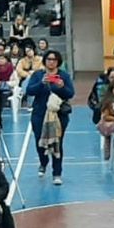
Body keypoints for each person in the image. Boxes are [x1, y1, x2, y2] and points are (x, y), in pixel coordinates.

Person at [24, 51, 74, 184]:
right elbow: (29, 91)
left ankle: (57, 173)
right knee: (39, 142)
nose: (51, 62)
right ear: (45, 61)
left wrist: (62, 87)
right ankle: (43, 162)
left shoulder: (64, 76)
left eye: (54, 59)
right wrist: (41, 83)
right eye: (49, 59)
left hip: (59, 115)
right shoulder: (38, 75)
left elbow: (70, 93)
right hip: (39, 114)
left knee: (58, 143)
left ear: (58, 61)